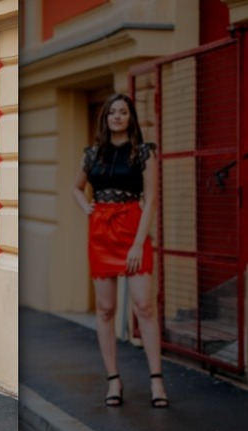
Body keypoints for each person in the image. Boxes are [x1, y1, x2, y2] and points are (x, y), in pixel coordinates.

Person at [72, 93, 169, 408]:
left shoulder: (143, 152)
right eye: (112, 112)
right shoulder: (92, 154)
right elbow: (76, 187)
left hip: (132, 228)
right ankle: (114, 380)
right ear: (106, 118)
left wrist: (138, 243)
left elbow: (151, 200)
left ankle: (157, 381)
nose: (117, 116)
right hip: (101, 231)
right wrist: (87, 208)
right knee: (105, 309)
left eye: (123, 112)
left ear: (130, 118)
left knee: (144, 306)